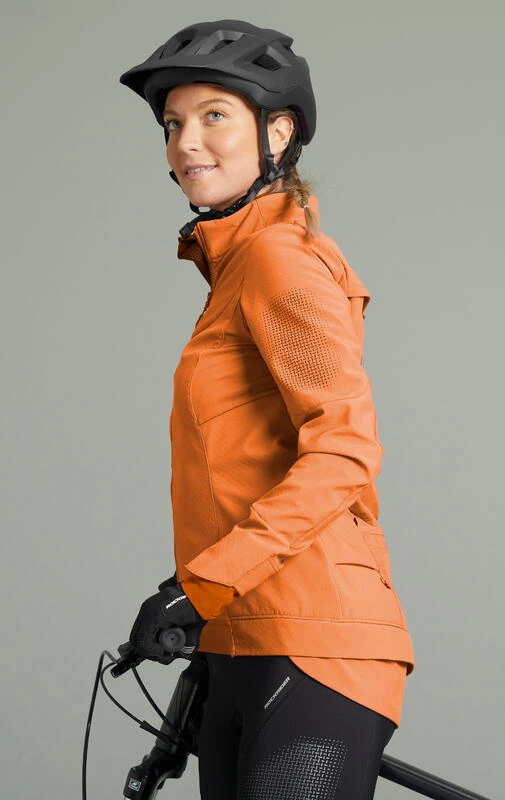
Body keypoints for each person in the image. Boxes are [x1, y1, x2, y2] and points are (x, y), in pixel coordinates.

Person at [119, 20, 414, 800]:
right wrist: (196, 589)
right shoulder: (238, 266)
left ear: (277, 132)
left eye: (213, 115)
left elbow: (344, 450)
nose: (185, 142)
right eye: (173, 124)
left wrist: (204, 584)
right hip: (241, 637)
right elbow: (245, 463)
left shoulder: (278, 259)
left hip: (314, 639)